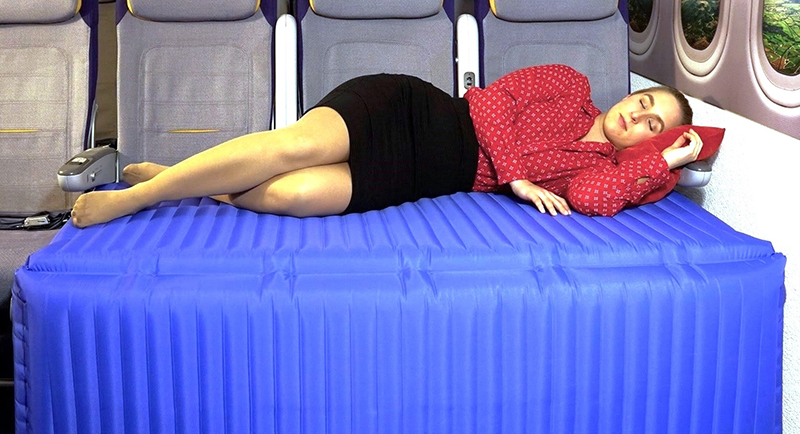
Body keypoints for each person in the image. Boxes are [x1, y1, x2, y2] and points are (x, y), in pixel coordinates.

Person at [70, 64, 701, 228]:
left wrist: (665, 161)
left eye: (655, 126)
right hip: (411, 110)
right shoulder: (571, 85)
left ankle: (199, 181)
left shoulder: (600, 168)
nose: (639, 116)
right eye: (645, 101)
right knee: (294, 147)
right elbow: (493, 102)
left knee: (293, 194)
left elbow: (591, 200)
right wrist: (517, 176)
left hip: (424, 175)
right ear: (631, 95)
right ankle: (143, 195)